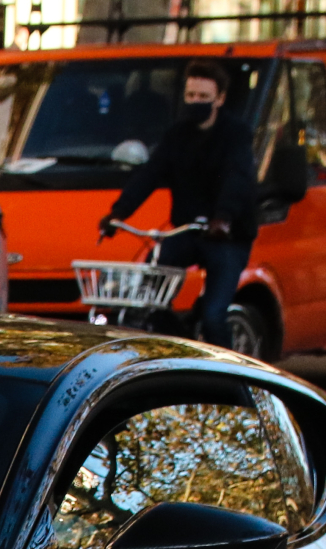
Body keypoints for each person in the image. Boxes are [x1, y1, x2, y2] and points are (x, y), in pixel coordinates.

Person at [99, 60, 257, 348]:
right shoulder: (177, 135)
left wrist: (224, 217)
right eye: (191, 96)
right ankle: (175, 343)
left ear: (219, 99)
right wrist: (118, 212)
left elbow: (238, 178)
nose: (195, 102)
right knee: (149, 294)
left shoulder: (236, 135)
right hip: (187, 230)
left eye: (203, 98)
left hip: (228, 235)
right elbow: (150, 174)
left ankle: (233, 376)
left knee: (212, 315)